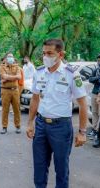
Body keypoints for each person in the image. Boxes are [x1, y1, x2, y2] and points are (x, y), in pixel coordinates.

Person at [26, 39, 87, 188]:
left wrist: (82, 132)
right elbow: (35, 99)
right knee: (39, 167)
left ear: (61, 54)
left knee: (61, 168)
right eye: (44, 53)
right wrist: (30, 123)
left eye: (50, 53)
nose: (45, 56)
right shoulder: (39, 72)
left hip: (61, 127)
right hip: (41, 125)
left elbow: (83, 103)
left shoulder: (71, 74)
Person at [0, 53, 22, 134]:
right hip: (5, 91)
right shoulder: (1, 67)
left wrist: (7, 78)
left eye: (11, 56)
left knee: (17, 109)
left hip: (15, 90)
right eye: (9, 57)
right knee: (5, 109)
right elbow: (4, 76)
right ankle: (4, 127)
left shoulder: (17, 67)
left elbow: (19, 77)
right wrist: (12, 77)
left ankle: (18, 126)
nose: (10, 58)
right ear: (5, 59)